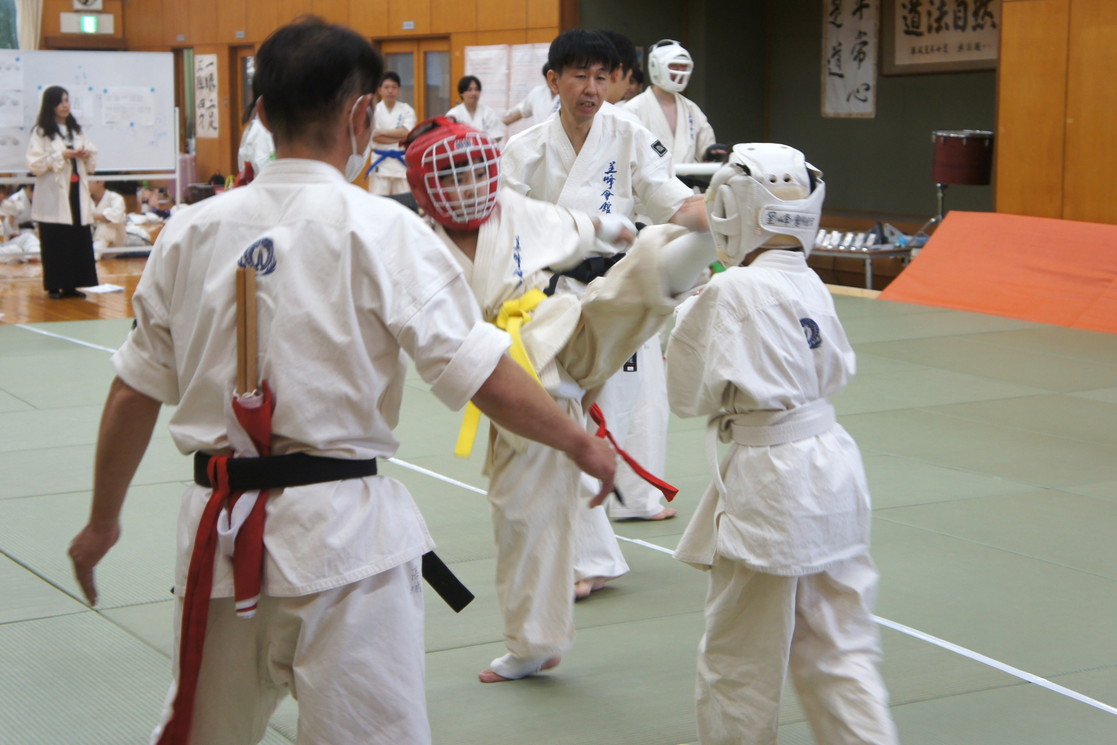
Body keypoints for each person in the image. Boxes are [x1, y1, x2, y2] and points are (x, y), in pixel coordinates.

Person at [66, 18, 616, 745]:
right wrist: (579, 441)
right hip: (345, 540)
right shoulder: (385, 230)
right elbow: (481, 371)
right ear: (362, 116)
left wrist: (102, 522)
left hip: (217, 537)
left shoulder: (190, 230)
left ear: (262, 114)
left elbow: (134, 390)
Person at [404, 117, 714, 683]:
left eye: (473, 171)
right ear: (425, 190)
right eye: (450, 176)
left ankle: (706, 241)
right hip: (507, 373)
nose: (466, 185)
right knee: (520, 514)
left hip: (558, 332)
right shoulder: (417, 246)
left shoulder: (511, 211)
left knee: (628, 282)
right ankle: (534, 643)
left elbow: (581, 226)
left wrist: (617, 229)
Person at [666, 143, 899, 745]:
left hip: (773, 479)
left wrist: (687, 305)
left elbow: (686, 396)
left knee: (740, 656)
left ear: (735, 209)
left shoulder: (732, 290)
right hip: (834, 467)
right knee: (840, 651)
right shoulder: (811, 282)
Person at [502, 30, 707, 591]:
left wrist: (719, 211)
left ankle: (623, 510)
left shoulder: (627, 133)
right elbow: (507, 228)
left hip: (618, 293)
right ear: (553, 81)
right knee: (565, 418)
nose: (591, 88)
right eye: (579, 76)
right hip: (552, 301)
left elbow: (669, 199)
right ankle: (584, 559)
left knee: (622, 410)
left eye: (601, 77)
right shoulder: (526, 148)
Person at [26, 85, 98, 299]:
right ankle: (55, 285)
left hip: (76, 189)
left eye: (67, 100)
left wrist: (85, 153)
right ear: (51, 105)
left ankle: (72, 284)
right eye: (60, 102)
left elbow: (92, 155)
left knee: (76, 236)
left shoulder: (76, 130)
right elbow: (35, 164)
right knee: (56, 238)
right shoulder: (41, 132)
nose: (65, 105)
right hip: (53, 192)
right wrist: (61, 156)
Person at [624, 39, 716, 165]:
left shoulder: (691, 109)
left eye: (683, 66)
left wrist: (712, 153)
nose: (679, 71)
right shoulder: (632, 109)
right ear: (656, 68)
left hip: (687, 177)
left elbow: (706, 151)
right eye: (673, 65)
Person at [367, 71, 416, 194]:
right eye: (386, 87)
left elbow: (407, 134)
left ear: (399, 90)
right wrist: (399, 136)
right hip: (381, 164)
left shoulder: (407, 110)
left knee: (405, 202)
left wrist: (381, 132)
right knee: (378, 202)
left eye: (394, 87)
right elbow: (375, 138)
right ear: (379, 90)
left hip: (401, 163)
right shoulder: (373, 110)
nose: (390, 91)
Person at [445, 75, 504, 143]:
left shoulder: (488, 112)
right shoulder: (453, 114)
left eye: (476, 89)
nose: (474, 93)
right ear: (462, 93)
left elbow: (496, 135)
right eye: (469, 90)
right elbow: (448, 138)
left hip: (485, 148)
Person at [501, 63, 558, 128]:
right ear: (548, 77)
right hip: (541, 133)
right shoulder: (537, 93)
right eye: (551, 79)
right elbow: (521, 110)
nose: (554, 82)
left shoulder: (566, 94)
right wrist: (500, 121)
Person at [236, 99, 275, 183]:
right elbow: (261, 164)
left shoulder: (254, 128)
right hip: (264, 183)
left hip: (259, 183)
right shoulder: (261, 130)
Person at [88, 179, 127, 257]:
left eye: (89, 181)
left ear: (101, 182)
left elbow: (114, 218)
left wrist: (93, 216)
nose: (86, 184)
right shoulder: (84, 199)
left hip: (115, 245)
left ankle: (94, 256)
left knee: (106, 226)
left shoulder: (116, 198)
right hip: (91, 240)